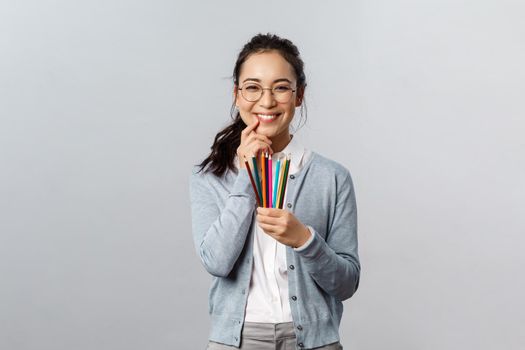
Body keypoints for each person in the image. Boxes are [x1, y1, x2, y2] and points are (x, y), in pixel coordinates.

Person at [189, 33, 360, 350]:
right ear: (236, 95)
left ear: (299, 96)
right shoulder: (211, 176)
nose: (266, 102)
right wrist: (247, 175)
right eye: (252, 87)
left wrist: (305, 240)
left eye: (281, 87)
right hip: (236, 341)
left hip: (314, 342)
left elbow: (346, 282)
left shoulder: (332, 177)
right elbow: (216, 261)